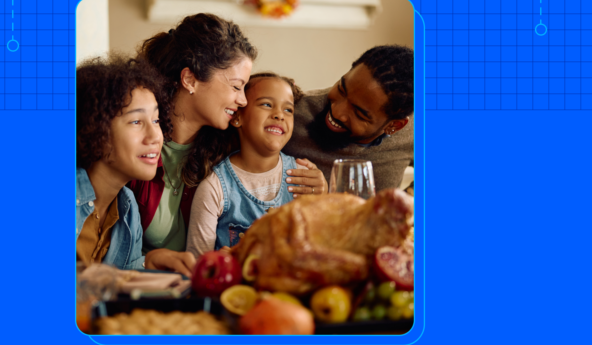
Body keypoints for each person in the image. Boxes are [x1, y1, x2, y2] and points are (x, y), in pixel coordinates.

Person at [76, 53, 196, 276]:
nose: (155, 136)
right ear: (94, 128)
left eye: (156, 120)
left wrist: (148, 262)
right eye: (136, 121)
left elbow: (121, 275)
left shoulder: (127, 205)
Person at [186, 73, 312, 258]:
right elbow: (197, 264)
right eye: (267, 104)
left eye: (288, 110)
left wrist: (323, 195)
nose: (279, 115)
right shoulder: (215, 187)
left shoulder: (304, 177)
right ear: (237, 117)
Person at [282, 45, 414, 192]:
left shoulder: (415, 134)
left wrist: (408, 199)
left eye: (359, 113)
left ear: (394, 125)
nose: (337, 112)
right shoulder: (291, 112)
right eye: (341, 90)